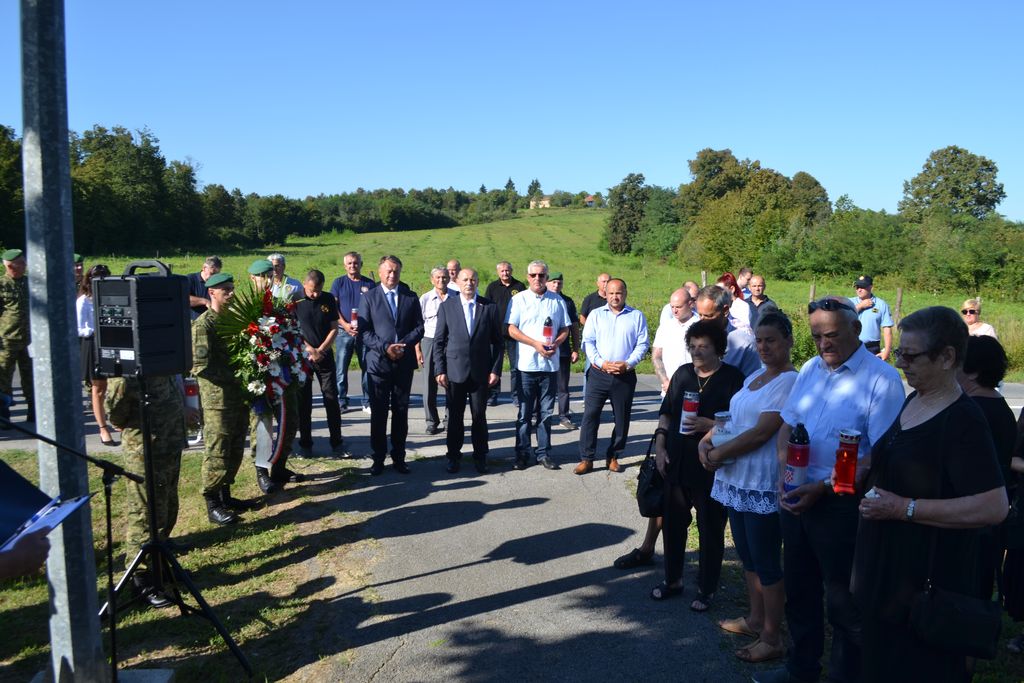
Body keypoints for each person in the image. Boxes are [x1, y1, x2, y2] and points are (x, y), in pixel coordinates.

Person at [753, 296, 905, 683]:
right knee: (800, 590)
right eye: (817, 336)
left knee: (843, 600)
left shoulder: (881, 379)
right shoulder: (811, 368)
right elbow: (788, 424)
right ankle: (801, 669)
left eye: (832, 335)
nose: (824, 344)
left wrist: (821, 487)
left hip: (840, 503)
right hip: (796, 497)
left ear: (856, 329)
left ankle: (845, 676)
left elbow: (878, 456)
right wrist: (784, 473)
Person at [853, 306, 1008, 681]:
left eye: (911, 355)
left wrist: (903, 508)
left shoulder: (963, 419)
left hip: (927, 587)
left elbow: (994, 506)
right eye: (900, 352)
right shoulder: (915, 400)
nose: (900, 363)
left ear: (947, 357)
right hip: (887, 579)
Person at [698, 312, 798, 664]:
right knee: (748, 555)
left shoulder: (789, 381)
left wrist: (718, 453)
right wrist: (706, 441)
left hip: (760, 482)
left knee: (766, 561)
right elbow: (731, 418)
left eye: (771, 340)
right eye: (760, 340)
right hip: (735, 479)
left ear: (788, 341)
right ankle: (755, 619)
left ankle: (772, 636)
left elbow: (761, 432)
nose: (764, 347)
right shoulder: (755, 375)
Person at [651, 321, 745, 611]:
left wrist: (709, 424)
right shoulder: (682, 374)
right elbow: (667, 413)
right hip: (676, 461)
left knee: (710, 527)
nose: (696, 352)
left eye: (703, 346)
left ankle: (707, 588)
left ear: (718, 348)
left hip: (710, 466)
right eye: (692, 346)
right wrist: (660, 446)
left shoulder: (733, 379)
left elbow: (741, 424)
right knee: (673, 525)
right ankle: (673, 580)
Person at [106, 373, 187, 607]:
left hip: (169, 444)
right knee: (145, 514)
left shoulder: (163, 360)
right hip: (144, 451)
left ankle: (160, 568)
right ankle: (140, 578)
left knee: (167, 509)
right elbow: (115, 411)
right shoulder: (128, 371)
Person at [957, 335, 1017, 603]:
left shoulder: (972, 410)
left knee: (965, 589)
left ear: (973, 372)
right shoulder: (999, 405)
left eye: (958, 363)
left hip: (971, 512)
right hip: (992, 512)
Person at [193, 272, 251, 525]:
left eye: (232, 288)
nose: (231, 293)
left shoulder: (233, 320)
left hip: (237, 395)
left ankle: (225, 495)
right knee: (217, 449)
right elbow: (200, 366)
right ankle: (212, 501)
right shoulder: (204, 325)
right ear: (212, 293)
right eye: (225, 290)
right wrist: (234, 374)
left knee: (235, 445)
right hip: (217, 399)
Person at [575, 278, 649, 475]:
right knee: (590, 415)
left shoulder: (636, 316)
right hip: (599, 374)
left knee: (622, 418)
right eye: (611, 293)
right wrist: (601, 362)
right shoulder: (596, 315)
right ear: (605, 294)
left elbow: (642, 344)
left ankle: (614, 456)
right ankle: (587, 458)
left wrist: (628, 363)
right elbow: (588, 342)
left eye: (619, 293)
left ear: (625, 293)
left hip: (624, 376)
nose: (615, 297)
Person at [359, 255, 424, 475]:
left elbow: (419, 327)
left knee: (401, 412)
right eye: (388, 271)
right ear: (380, 272)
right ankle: (378, 458)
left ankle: (399, 458)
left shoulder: (410, 296)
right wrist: (386, 347)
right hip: (378, 364)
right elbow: (364, 331)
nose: (392, 275)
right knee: (379, 414)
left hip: (403, 363)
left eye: (396, 271)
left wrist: (402, 345)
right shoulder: (369, 297)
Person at [434, 268, 503, 474]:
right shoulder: (447, 306)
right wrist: (440, 370)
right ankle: (453, 456)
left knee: (479, 416)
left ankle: (480, 456)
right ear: (457, 281)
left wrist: (495, 370)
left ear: (478, 282)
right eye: (465, 279)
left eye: (473, 280)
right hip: (455, 372)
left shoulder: (489, 307)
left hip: (481, 372)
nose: (469, 283)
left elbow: (498, 343)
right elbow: (439, 341)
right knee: (455, 417)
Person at [506, 260, 570, 471]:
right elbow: (511, 329)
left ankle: (543, 453)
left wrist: (556, 343)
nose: (537, 278)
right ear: (527, 277)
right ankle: (522, 453)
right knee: (524, 414)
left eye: (541, 275)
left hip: (549, 366)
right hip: (527, 365)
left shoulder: (557, 300)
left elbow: (565, 329)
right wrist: (534, 343)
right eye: (533, 275)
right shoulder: (519, 299)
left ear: (547, 277)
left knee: (546, 413)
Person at [247, 259, 301, 493]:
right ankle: (262, 471)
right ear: (252, 278)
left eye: (270, 276)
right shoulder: (246, 307)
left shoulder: (279, 304)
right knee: (263, 425)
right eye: (263, 277)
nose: (268, 281)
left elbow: (291, 331)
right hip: (260, 377)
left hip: (283, 373)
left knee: (291, 421)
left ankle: (279, 466)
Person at [295, 269, 345, 458]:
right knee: (304, 402)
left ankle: (337, 443)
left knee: (331, 399)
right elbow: (292, 329)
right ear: (304, 284)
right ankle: (305, 444)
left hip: (324, 356)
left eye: (318, 290)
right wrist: (310, 349)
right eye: (311, 290)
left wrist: (321, 349)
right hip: (303, 358)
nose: (315, 294)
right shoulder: (295, 300)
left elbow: (334, 328)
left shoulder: (328, 298)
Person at [77, 263, 117, 446]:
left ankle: (117, 419)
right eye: (97, 278)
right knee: (98, 388)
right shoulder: (84, 301)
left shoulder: (112, 297)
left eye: (104, 277)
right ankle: (103, 428)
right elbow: (79, 328)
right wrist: (95, 331)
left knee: (117, 385)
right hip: (93, 344)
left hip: (112, 341)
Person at [329, 251, 374, 412]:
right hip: (343, 332)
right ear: (345, 265)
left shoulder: (370, 284)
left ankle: (367, 401)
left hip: (364, 333)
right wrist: (345, 324)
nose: (353, 266)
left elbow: (375, 307)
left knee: (367, 367)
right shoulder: (338, 283)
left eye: (355, 263)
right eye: (349, 263)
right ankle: (341, 401)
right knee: (341, 368)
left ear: (361, 264)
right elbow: (333, 307)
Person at [484, 261, 526, 407]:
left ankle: (516, 395)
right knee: (494, 366)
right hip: (495, 332)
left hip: (514, 333)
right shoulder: (492, 287)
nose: (505, 273)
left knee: (516, 367)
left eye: (507, 270)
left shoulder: (519, 286)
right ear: (498, 272)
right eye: (502, 271)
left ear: (511, 271)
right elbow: (486, 308)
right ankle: (492, 394)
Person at [695, 285, 760, 377]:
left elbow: (752, 380)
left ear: (725, 311)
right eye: (700, 315)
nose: (702, 321)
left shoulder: (744, 343)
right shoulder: (694, 337)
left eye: (708, 316)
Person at [416, 266, 450, 435]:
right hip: (429, 341)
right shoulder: (425, 298)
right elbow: (417, 325)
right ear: (432, 279)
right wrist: (418, 349)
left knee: (451, 383)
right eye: (437, 277)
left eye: (444, 277)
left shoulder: (456, 297)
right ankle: (431, 421)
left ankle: (450, 419)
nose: (441, 280)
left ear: (449, 279)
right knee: (429, 384)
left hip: (450, 342)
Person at [0, 249, 33, 425]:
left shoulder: (30, 283)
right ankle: (4, 416)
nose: (25, 265)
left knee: (31, 376)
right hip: (7, 338)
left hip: (29, 339)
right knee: (3, 377)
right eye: (21, 263)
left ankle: (34, 411)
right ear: (10, 266)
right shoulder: (2, 284)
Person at [545, 272, 580, 429]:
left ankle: (564, 417)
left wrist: (575, 349)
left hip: (563, 350)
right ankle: (537, 415)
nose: (556, 285)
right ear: (547, 282)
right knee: (542, 386)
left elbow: (574, 327)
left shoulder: (567, 301)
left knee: (563, 386)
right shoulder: (541, 299)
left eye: (559, 283)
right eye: (553, 282)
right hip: (542, 350)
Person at [653, 288, 695, 397]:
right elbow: (656, 357)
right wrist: (665, 381)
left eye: (679, 307)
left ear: (690, 304)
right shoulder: (665, 326)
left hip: (692, 391)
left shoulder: (699, 325)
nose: (675, 311)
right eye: (672, 307)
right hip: (668, 391)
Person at [849, 274, 893, 360]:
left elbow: (887, 329)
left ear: (871, 287)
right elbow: (840, 318)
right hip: (850, 346)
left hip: (871, 348)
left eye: (862, 287)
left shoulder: (881, 304)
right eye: (857, 287)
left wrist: (887, 351)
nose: (859, 290)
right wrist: (860, 306)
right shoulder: (849, 302)